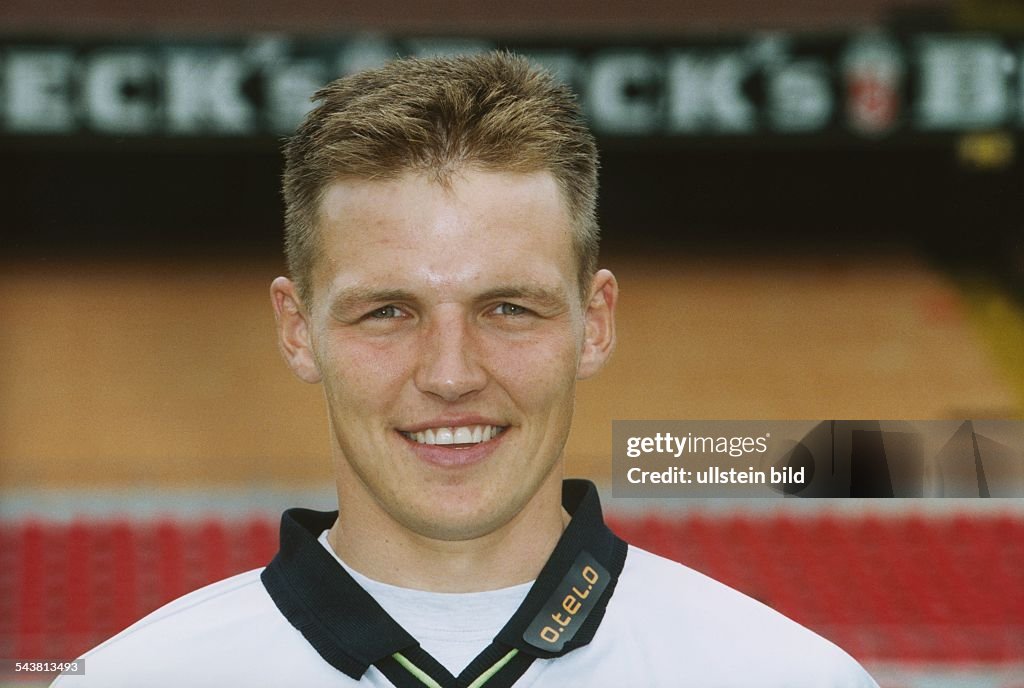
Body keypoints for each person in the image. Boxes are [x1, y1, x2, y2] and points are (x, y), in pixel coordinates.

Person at [53, 51, 878, 687]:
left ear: (595, 324)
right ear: (297, 330)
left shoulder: (786, 676)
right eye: (388, 311)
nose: (451, 374)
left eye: (508, 308)